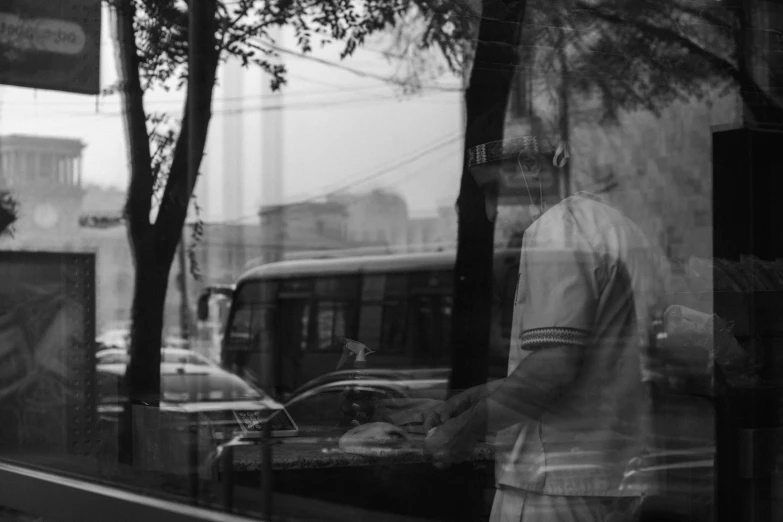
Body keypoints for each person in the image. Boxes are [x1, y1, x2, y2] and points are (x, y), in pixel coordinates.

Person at [419, 135, 668, 521]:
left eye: (492, 190)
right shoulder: (619, 228)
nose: (490, 212)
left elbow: (553, 369)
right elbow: (593, 369)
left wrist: (463, 432)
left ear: (531, 168)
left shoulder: (556, 230)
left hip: (553, 487)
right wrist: (485, 394)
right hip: (611, 478)